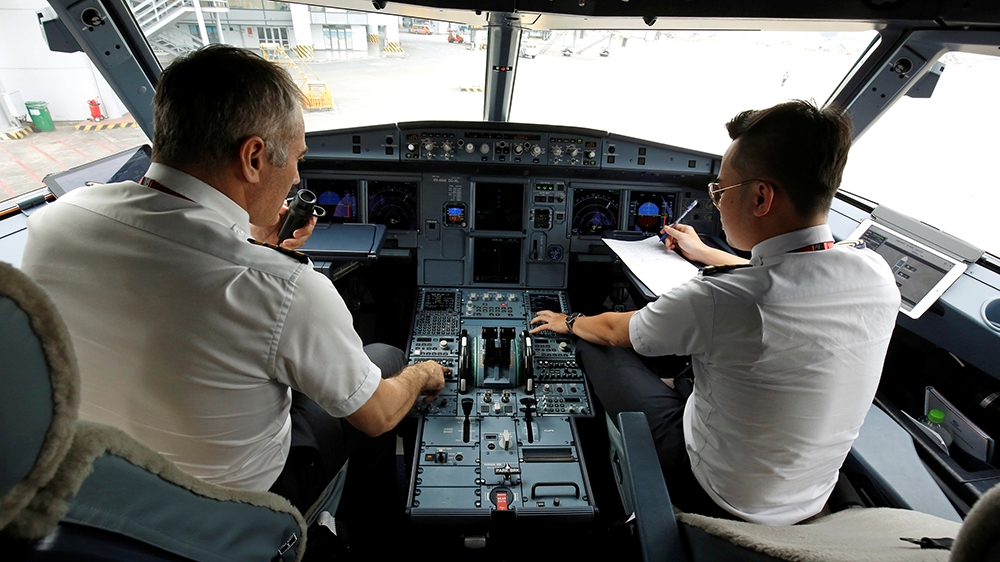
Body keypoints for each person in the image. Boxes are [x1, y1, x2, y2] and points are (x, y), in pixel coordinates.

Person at [21, 45, 447, 515]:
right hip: (227, 510)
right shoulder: (284, 289)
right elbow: (379, 415)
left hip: (82, 484)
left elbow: (181, 262)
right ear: (253, 157)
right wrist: (424, 373)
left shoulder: (58, 219)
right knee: (385, 360)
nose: (296, 178)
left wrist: (254, 244)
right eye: (297, 159)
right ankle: (363, 522)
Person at [530, 100, 900, 526]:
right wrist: (705, 252)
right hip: (809, 495)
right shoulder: (875, 273)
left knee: (591, 340)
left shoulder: (719, 299)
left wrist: (567, 321)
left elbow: (614, 330)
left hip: (714, 492)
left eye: (720, 192)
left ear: (760, 197)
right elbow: (790, 275)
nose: (717, 203)